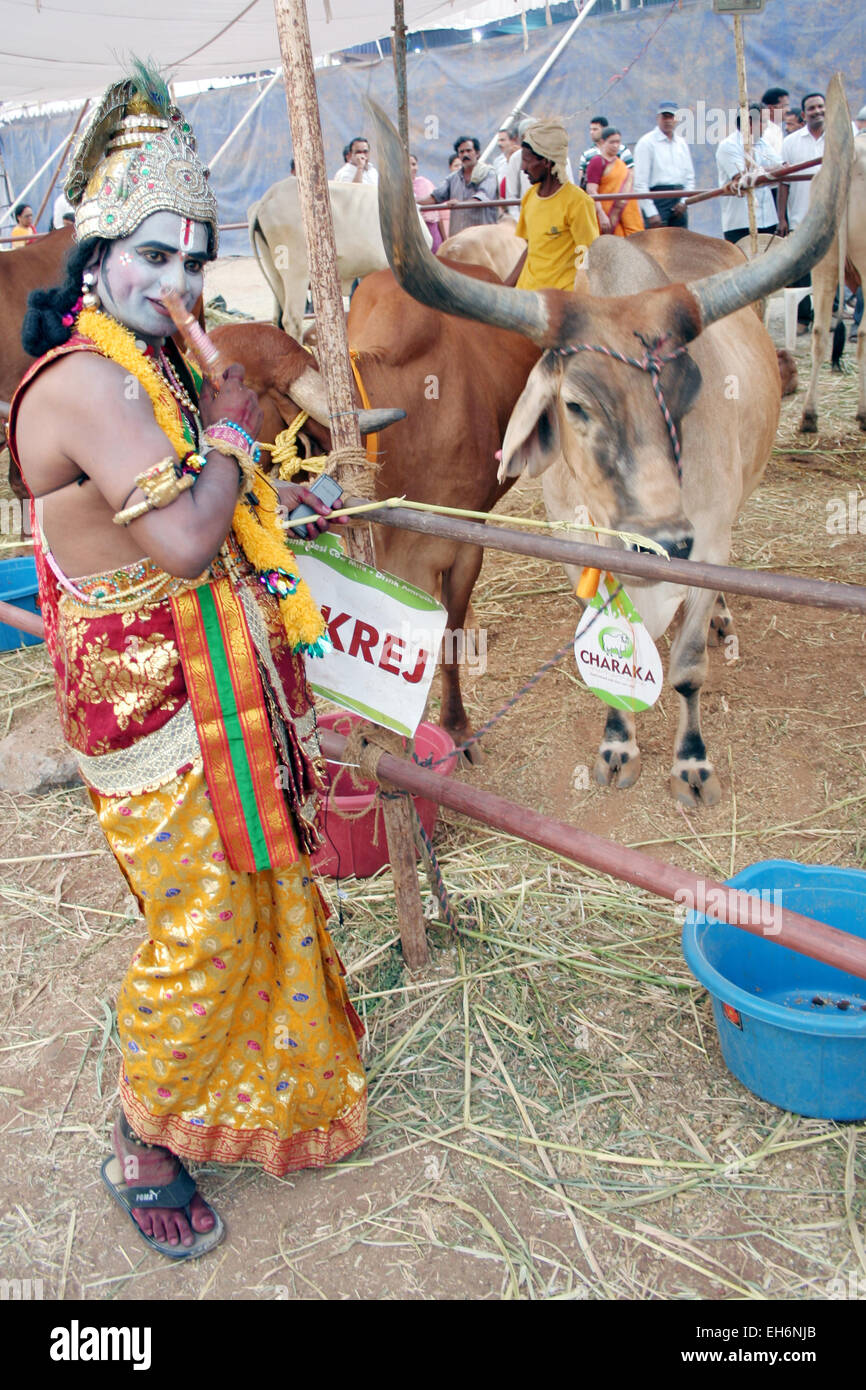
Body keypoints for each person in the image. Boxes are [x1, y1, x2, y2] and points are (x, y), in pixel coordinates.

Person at [9, 63, 366, 1260]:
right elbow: (180, 537)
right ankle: (138, 1139)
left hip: (214, 690)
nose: (177, 281)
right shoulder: (85, 383)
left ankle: (259, 1098)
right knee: (201, 924)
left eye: (193, 260)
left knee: (261, 895)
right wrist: (229, 423)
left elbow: (214, 511)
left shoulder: (146, 369)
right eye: (152, 256)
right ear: (97, 258)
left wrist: (264, 478)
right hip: (152, 720)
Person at [505, 118, 598, 291]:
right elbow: (531, 249)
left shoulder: (578, 202)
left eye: (527, 161)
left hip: (560, 302)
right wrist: (504, 288)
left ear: (547, 162)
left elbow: (588, 256)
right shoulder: (529, 198)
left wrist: (579, 303)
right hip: (527, 296)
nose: (523, 168)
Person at [779, 92, 825, 331]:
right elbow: (783, 184)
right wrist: (782, 218)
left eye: (820, 106)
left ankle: (827, 317)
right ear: (803, 114)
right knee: (800, 270)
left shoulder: (837, 140)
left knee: (829, 267)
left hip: (830, 217)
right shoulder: (791, 142)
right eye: (812, 108)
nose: (817, 111)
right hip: (799, 217)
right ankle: (802, 319)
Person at [715, 103, 780, 243]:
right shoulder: (728, 145)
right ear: (749, 122)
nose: (766, 126)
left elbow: (782, 169)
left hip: (767, 219)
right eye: (763, 121)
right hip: (741, 223)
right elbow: (743, 178)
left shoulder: (763, 143)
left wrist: (762, 172)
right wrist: (766, 173)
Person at [633, 101, 696, 228]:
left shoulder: (681, 144)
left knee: (681, 245)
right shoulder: (646, 143)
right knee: (655, 246)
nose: (668, 121)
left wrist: (684, 202)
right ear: (658, 118)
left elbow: (689, 178)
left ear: (676, 119)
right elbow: (640, 183)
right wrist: (651, 212)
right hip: (657, 199)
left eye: (671, 117)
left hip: (679, 200)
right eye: (664, 117)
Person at [420, 136, 498, 236]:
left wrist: (460, 204)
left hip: (483, 238)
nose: (465, 154)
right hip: (459, 238)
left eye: (469, 150)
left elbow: (483, 197)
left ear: (477, 153)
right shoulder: (452, 178)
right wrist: (413, 203)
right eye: (461, 152)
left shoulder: (488, 174)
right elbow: (435, 197)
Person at [585, 127, 642, 238]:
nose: (615, 145)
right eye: (612, 142)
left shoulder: (621, 163)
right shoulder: (596, 162)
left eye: (618, 142)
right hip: (608, 217)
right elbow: (591, 189)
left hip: (627, 215)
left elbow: (629, 190)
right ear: (602, 142)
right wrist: (601, 214)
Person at [578, 114, 634, 188]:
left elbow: (631, 174)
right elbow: (582, 178)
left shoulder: (622, 150)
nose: (591, 132)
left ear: (605, 129)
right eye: (590, 129)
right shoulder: (587, 155)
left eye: (595, 129)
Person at [410, 152, 444, 252]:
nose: (412, 168)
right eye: (408, 165)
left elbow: (438, 212)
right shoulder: (398, 187)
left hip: (433, 230)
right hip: (414, 232)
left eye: (414, 164)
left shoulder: (425, 182)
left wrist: (445, 238)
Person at [760, 86, 789, 156]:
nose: (788, 110)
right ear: (771, 108)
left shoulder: (776, 129)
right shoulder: (763, 131)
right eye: (785, 106)